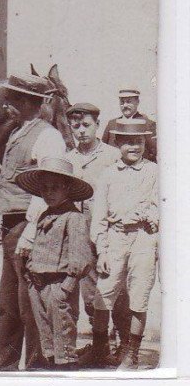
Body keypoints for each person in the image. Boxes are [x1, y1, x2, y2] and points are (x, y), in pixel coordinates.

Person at [0, 73, 67, 371]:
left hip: (33, 226)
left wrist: (29, 231)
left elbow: (48, 187)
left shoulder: (47, 136)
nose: (7, 106)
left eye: (14, 100)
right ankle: (4, 359)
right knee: (8, 295)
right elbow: (7, 179)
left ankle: (38, 362)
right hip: (12, 223)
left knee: (31, 300)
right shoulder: (17, 131)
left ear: (30, 103)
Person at [84, 119, 158, 369]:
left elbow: (162, 206)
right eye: (127, 142)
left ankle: (131, 353)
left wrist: (151, 216)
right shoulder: (107, 175)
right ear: (118, 144)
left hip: (143, 239)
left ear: (145, 143)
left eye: (138, 142)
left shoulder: (154, 172)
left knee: (139, 295)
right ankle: (99, 348)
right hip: (114, 239)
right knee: (102, 294)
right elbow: (99, 219)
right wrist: (102, 250)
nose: (133, 147)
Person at [15, 157, 94, 370]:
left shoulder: (74, 218)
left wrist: (67, 285)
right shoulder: (44, 215)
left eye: (55, 188)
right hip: (38, 283)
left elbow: (81, 255)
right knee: (46, 333)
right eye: (45, 188)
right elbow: (38, 247)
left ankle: (66, 369)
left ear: (67, 189)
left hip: (59, 284)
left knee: (63, 331)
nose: (49, 193)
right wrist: (29, 274)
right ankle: (50, 364)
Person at [65, 103, 126, 348]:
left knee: (116, 286)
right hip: (80, 231)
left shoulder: (112, 156)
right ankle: (100, 344)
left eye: (86, 125)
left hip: (109, 230)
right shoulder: (69, 158)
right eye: (75, 126)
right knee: (90, 290)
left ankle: (124, 342)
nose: (81, 131)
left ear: (98, 126)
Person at [102, 88, 157, 162]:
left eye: (129, 102)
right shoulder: (112, 124)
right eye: (122, 102)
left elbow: (153, 153)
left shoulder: (148, 124)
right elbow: (104, 148)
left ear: (137, 102)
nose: (125, 105)